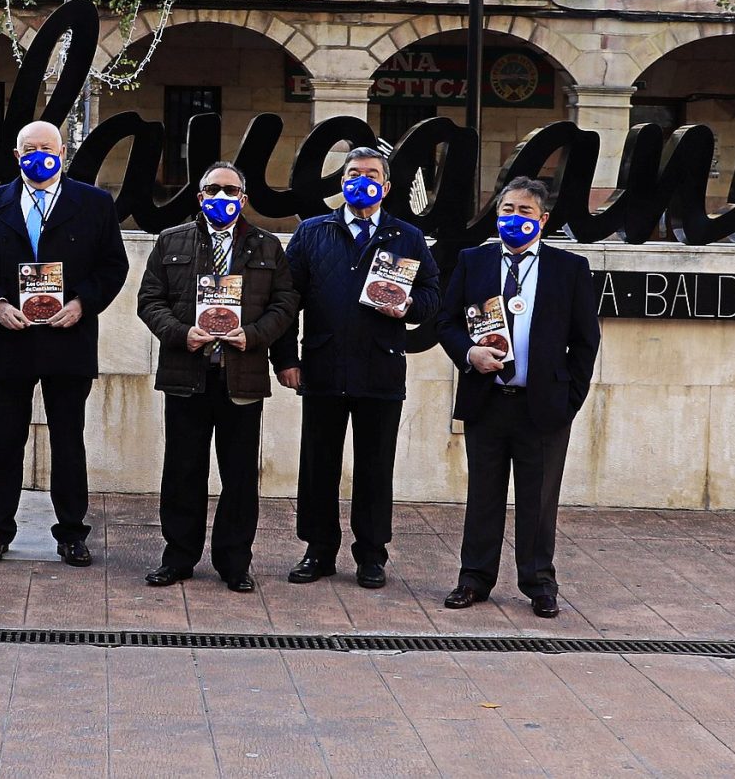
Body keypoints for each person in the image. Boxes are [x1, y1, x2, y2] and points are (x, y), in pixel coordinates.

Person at [0, 120, 129, 566]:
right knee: (5, 438)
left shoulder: (93, 203)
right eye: (29, 148)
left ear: (64, 151)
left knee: (69, 438)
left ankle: (72, 532)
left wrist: (82, 304)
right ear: (16, 156)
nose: (39, 155)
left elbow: (113, 266)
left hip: (67, 337)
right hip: (7, 337)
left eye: (47, 148)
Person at [273, 146, 441, 590]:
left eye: (370, 174)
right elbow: (287, 301)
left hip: (380, 369)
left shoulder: (407, 236)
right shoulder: (312, 232)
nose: (359, 180)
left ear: (385, 186)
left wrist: (408, 305)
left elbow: (432, 296)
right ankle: (318, 549)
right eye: (352, 173)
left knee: (374, 467)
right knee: (318, 464)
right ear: (341, 182)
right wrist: (285, 358)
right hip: (323, 367)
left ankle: (371, 555)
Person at [434, 176, 601, 619]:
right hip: (487, 401)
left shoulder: (569, 269)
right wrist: (469, 353)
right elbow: (446, 322)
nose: (514, 218)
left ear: (543, 219)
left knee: (539, 500)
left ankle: (539, 583)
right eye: (507, 209)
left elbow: (586, 341)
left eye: (525, 212)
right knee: (483, 496)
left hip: (543, 408)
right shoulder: (474, 261)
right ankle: (474, 579)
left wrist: (570, 400)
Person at [134, 161, 299, 593]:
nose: (221, 197)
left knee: (240, 476)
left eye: (230, 191)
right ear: (200, 197)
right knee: (183, 472)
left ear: (243, 199)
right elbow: (149, 300)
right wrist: (179, 332)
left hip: (241, 378)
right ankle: (178, 557)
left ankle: (234, 562)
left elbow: (285, 304)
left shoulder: (267, 247)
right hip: (187, 374)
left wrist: (256, 335)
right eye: (213, 190)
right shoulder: (172, 240)